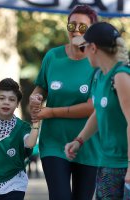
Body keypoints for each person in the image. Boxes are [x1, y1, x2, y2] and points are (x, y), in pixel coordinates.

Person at [28, 5, 101, 200]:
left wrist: (50, 112)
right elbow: (41, 87)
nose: (76, 30)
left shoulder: (99, 62)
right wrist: (35, 98)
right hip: (54, 142)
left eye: (83, 27)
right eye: (72, 25)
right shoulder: (53, 56)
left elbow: (91, 107)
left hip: (88, 144)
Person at [65, 22, 130, 199]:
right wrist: (79, 140)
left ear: (93, 48)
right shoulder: (100, 75)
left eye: (84, 47)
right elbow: (99, 111)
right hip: (107, 163)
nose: (82, 52)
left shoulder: (121, 76)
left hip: (124, 165)